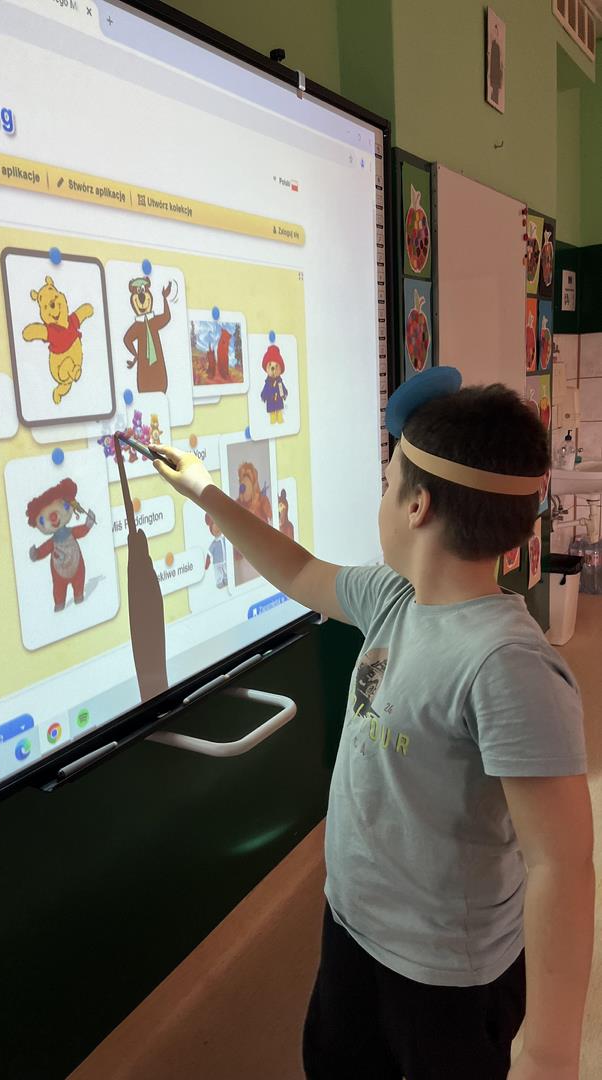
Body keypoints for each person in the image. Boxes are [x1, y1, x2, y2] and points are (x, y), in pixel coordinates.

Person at [151, 373, 594, 1080]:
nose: (381, 501)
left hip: (448, 978)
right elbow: (299, 569)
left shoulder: (508, 666)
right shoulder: (393, 598)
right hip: (353, 928)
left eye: (388, 486)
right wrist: (206, 493)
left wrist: (549, 1050)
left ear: (417, 505)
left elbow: (560, 865)